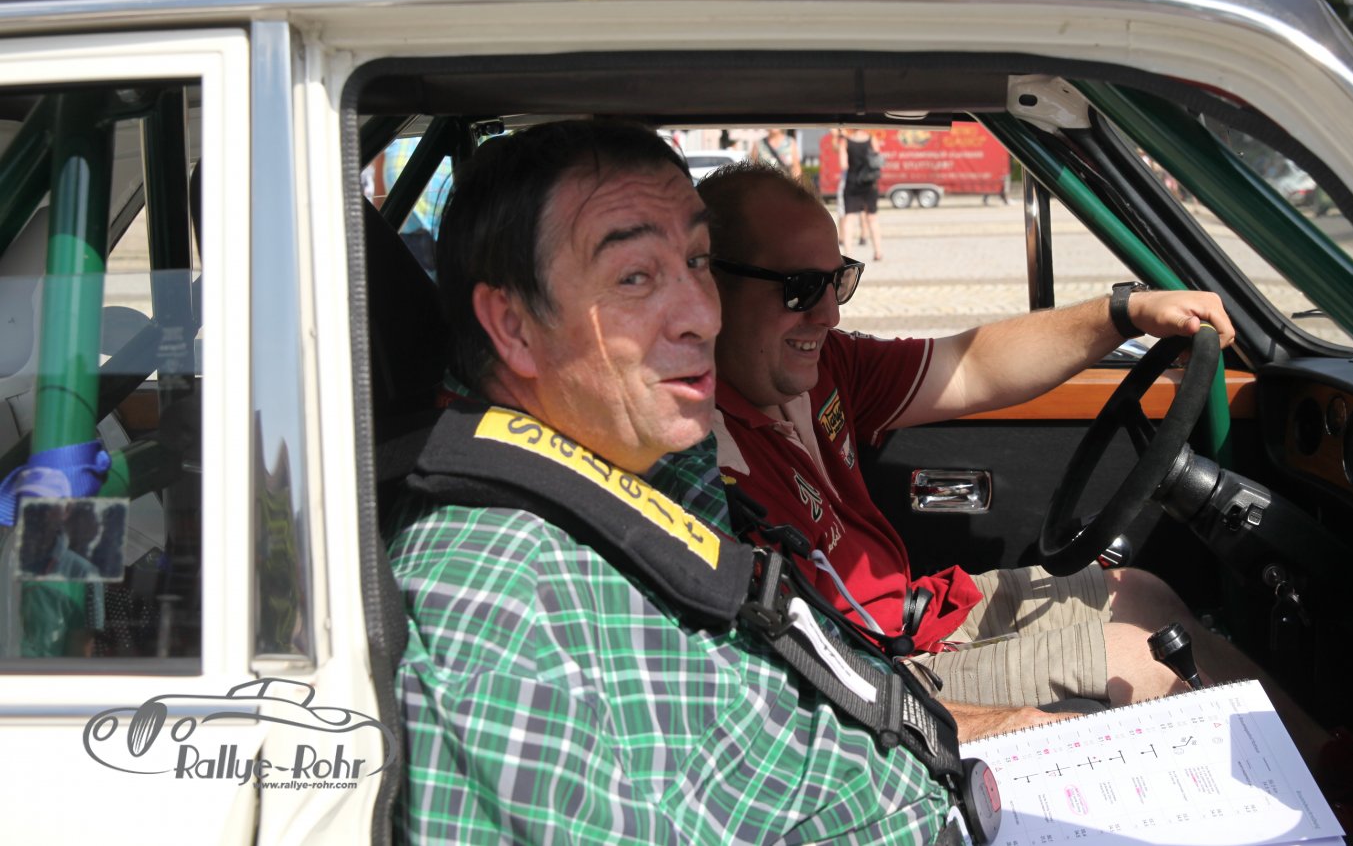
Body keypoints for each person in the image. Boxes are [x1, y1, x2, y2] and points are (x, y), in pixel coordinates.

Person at [386, 120, 1010, 844]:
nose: (705, 315)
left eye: (698, 261)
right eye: (635, 277)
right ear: (515, 326)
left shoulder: (654, 460)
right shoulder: (496, 616)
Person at [697, 162, 1301, 719]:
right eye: (801, 287)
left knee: (1137, 593)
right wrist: (958, 729)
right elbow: (775, 681)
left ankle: (1333, 775)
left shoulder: (826, 366)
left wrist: (1124, 313)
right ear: (709, 285)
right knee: (1140, 661)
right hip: (877, 675)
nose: (829, 314)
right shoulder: (701, 458)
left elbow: (974, 366)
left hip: (913, 615)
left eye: (838, 280)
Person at [838, 128, 884, 261]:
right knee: (872, 218)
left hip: (852, 182)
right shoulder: (871, 139)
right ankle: (878, 251)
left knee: (849, 218)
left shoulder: (845, 142)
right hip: (869, 183)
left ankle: (848, 254)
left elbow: (843, 165)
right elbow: (878, 160)